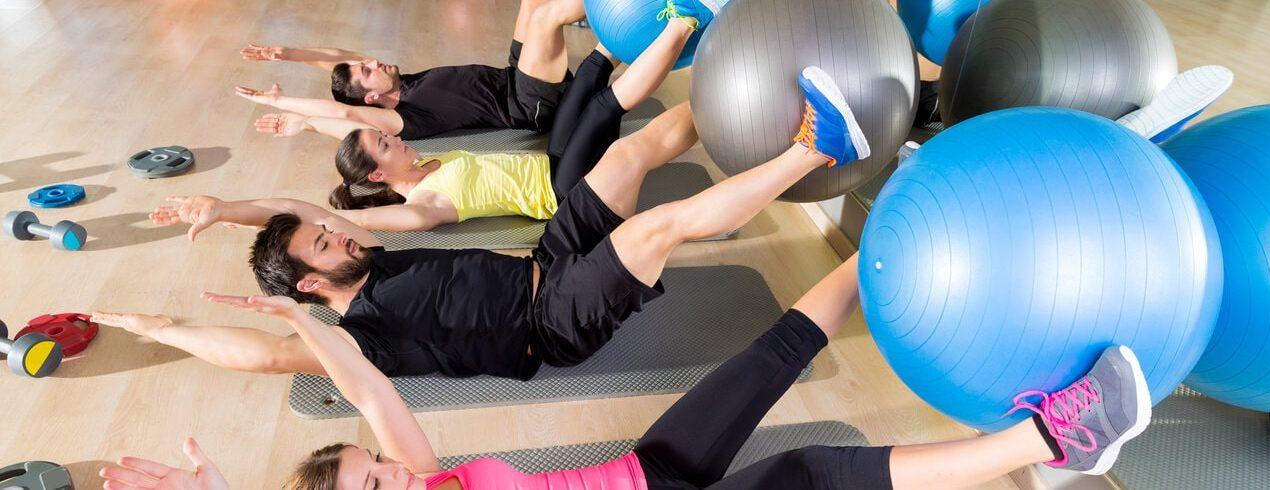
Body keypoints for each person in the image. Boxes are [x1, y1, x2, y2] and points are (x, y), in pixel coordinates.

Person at [99, 254, 1154, 489]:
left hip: (649, 471)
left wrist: (305, 308)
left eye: (369, 476)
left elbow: (373, 389)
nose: (386, 486)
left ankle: (876, 251)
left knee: (764, 361)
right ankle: (1057, 437)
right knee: (822, 473)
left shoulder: (426, 476)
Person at [92, 65, 871, 382]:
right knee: (652, 230)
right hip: (552, 323)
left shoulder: (368, 259)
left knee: (633, 154)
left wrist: (224, 210)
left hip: (546, 257)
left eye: (333, 232)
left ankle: (753, 82)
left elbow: (302, 210)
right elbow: (262, 356)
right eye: (327, 246)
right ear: (309, 283)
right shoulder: (359, 338)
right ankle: (816, 147)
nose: (342, 234)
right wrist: (159, 327)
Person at [247, 12, 702, 232]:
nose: (396, 139)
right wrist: (297, 116)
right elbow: (347, 115)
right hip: (560, 190)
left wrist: (290, 61)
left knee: (591, 71)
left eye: (386, 136)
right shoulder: (425, 206)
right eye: (386, 145)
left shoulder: (421, 160)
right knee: (605, 106)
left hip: (549, 162)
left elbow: (348, 84)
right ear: (381, 175)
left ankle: (644, 22)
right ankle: (684, 33)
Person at [234, 0, 716, 141]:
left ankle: (602, 13)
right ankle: (623, 13)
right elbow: (343, 117)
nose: (373, 62)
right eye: (368, 73)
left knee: (534, 1)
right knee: (549, 16)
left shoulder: (403, 81)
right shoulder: (406, 117)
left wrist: (289, 52)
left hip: (512, 75)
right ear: (374, 100)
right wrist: (285, 107)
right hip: (526, 106)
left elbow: (341, 54)